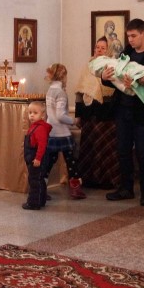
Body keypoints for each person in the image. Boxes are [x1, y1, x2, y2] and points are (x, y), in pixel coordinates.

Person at [102, 18, 144, 206]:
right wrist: (105, 77)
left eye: (133, 36)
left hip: (143, 111)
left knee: (142, 151)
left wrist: (138, 82)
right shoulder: (126, 54)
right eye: (128, 36)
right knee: (123, 150)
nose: (130, 39)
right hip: (123, 109)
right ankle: (126, 188)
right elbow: (116, 77)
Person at [75, 37, 120, 189]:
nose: (99, 50)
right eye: (97, 47)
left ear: (108, 50)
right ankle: (88, 179)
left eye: (102, 48)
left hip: (107, 113)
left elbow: (116, 89)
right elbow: (80, 91)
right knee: (90, 147)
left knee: (105, 148)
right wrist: (78, 115)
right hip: (89, 113)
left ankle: (107, 180)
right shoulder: (88, 66)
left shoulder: (112, 65)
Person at [44, 63, 86, 200]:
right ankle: (75, 189)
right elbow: (61, 115)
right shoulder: (61, 93)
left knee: (49, 162)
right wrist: (73, 121)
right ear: (63, 76)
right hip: (62, 133)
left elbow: (49, 113)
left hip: (51, 131)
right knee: (71, 162)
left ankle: (41, 187)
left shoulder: (50, 91)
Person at [23, 101, 51, 210]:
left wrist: (38, 158)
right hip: (32, 158)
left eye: (35, 113)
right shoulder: (34, 127)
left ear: (42, 115)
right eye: (30, 112)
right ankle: (41, 200)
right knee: (39, 179)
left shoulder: (40, 128)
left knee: (34, 181)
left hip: (37, 159)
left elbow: (42, 145)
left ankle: (34, 203)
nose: (32, 115)